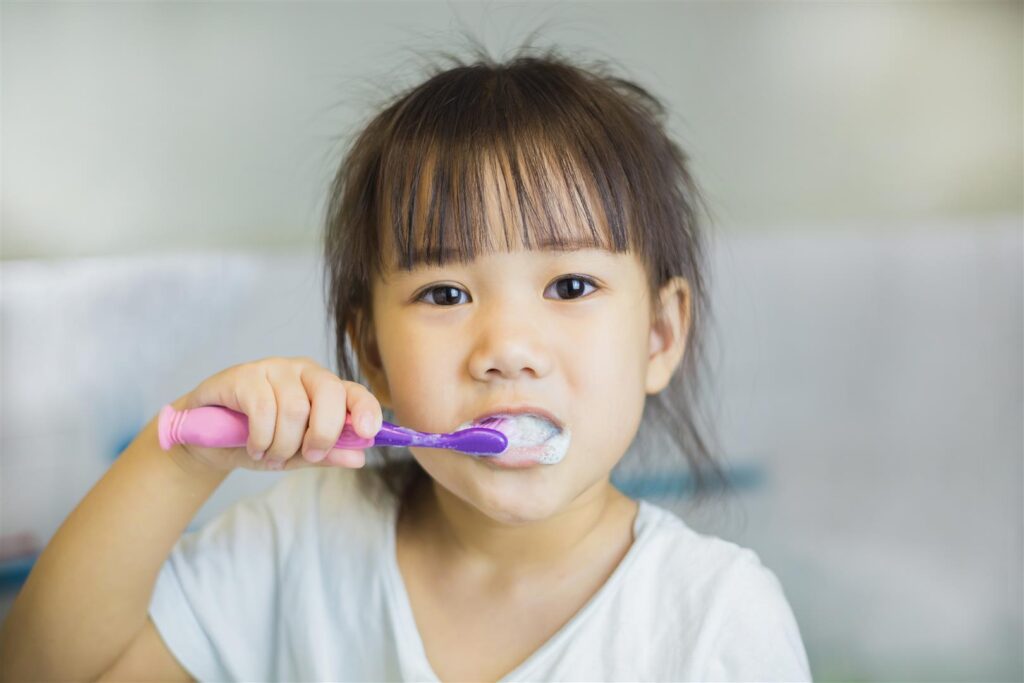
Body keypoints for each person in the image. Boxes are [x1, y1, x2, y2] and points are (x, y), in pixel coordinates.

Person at [0, 41, 811, 682]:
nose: (508, 350)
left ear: (659, 338)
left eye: (569, 283)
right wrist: (180, 462)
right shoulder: (301, 545)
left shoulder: (715, 621)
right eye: (445, 295)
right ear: (372, 356)